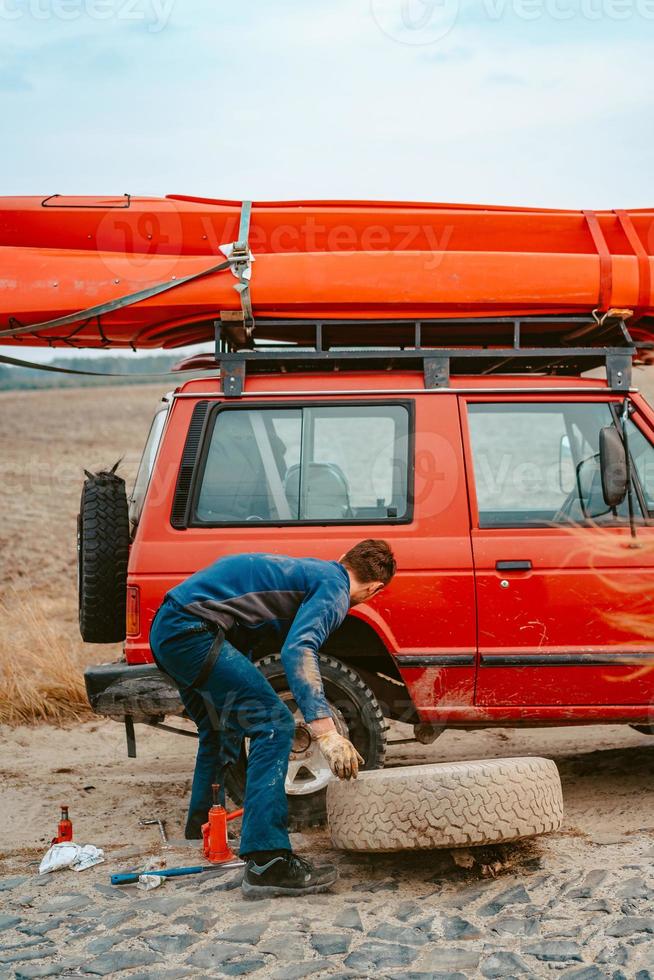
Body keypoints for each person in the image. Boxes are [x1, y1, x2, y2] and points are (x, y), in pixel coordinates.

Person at [149, 539, 396, 897]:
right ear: (374, 589)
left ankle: (203, 836)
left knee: (221, 730)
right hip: (192, 631)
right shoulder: (335, 587)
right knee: (276, 725)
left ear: (344, 557)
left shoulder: (311, 571)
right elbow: (299, 648)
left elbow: (254, 628)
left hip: (170, 628)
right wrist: (325, 731)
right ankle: (268, 860)